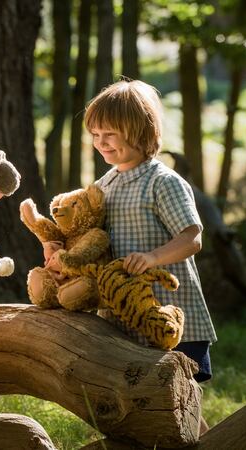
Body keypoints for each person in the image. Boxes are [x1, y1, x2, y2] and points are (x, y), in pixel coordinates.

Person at [84, 79, 217, 382]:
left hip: (171, 311)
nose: (100, 142)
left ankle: (202, 433)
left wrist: (153, 258)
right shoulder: (104, 186)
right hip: (126, 311)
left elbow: (192, 238)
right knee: (144, 392)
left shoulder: (163, 182)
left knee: (181, 389)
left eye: (110, 134)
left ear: (139, 132)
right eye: (95, 134)